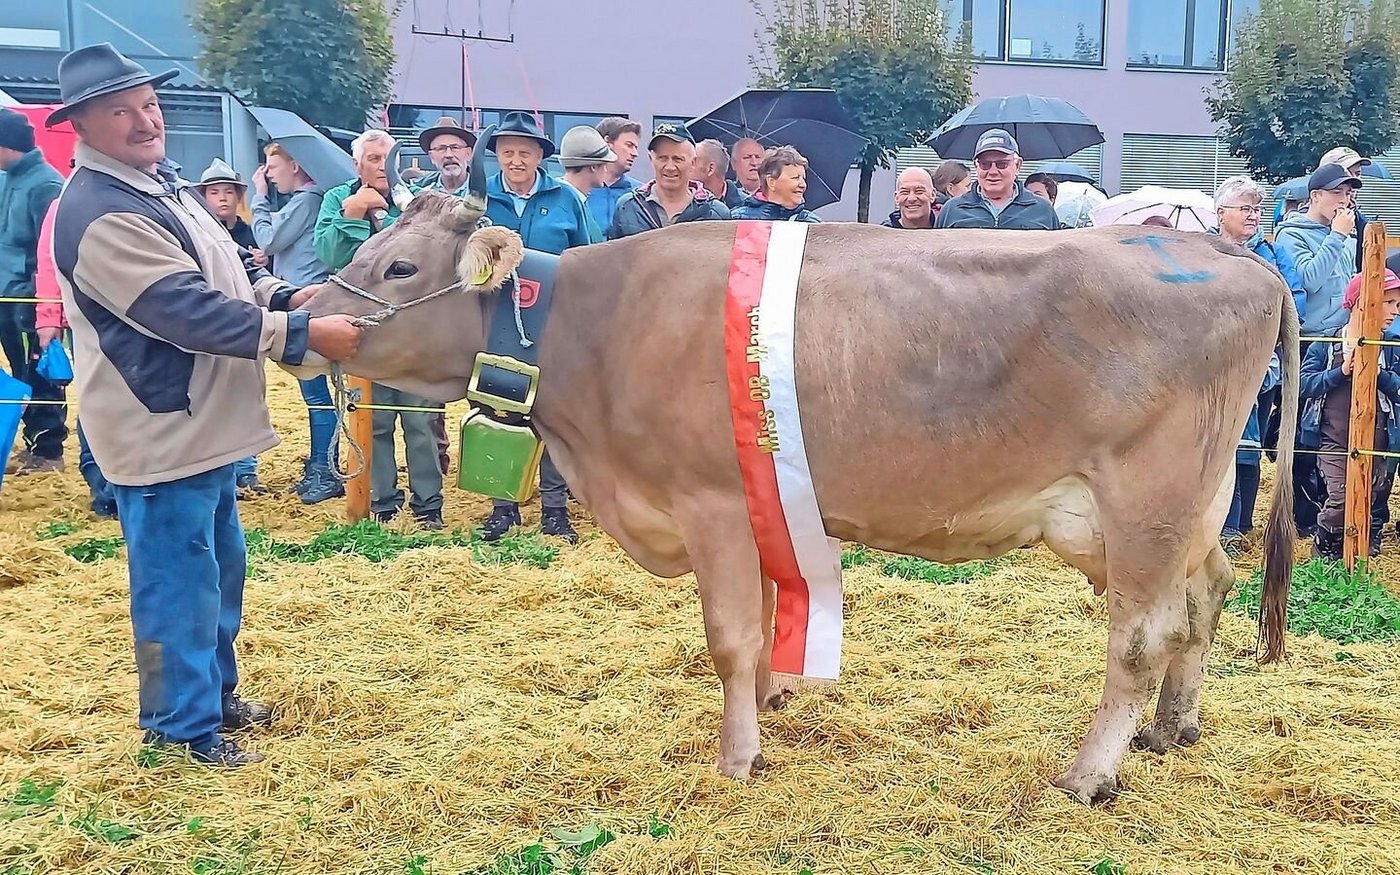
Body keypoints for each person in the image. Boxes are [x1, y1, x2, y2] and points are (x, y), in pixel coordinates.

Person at [49, 42, 362, 767]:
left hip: (201, 423)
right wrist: (297, 332)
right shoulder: (98, 208)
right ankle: (178, 730)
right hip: (159, 427)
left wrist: (283, 295)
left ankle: (210, 699)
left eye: (149, 106)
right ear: (83, 127)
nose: (143, 121)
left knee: (216, 569)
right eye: (119, 111)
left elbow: (225, 278)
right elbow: (181, 310)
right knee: (176, 582)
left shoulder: (162, 187)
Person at [316, 130, 445, 531]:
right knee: (374, 420)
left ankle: (429, 507)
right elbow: (330, 257)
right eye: (373, 159)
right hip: (360, 331)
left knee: (421, 419)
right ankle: (383, 503)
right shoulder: (338, 200)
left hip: (414, 330)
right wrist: (353, 214)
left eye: (388, 158)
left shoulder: (418, 202)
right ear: (357, 165)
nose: (381, 167)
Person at [480, 111, 594, 544]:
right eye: (506, 152)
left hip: (553, 322)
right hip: (496, 322)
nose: (515, 160)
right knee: (498, 412)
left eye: (524, 152)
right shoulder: (481, 198)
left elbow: (586, 255)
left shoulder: (565, 199)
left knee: (552, 416)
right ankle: (503, 506)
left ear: (540, 156)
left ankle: (554, 508)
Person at [1210, 176, 1305, 552]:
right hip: (1215, 362)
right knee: (1221, 445)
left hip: (1262, 363)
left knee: (1248, 446)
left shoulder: (1269, 252)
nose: (1253, 216)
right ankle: (1222, 527)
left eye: (1257, 209)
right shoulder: (1203, 249)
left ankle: (1240, 526)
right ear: (1221, 213)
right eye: (1245, 209)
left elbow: (1293, 293)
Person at [252, 142, 341, 504]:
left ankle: (326, 468)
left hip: (306, 306)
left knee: (317, 395)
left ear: (297, 166)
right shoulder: (308, 201)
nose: (268, 174)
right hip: (303, 302)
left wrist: (258, 198)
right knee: (316, 395)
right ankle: (322, 464)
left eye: (273, 165)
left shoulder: (307, 200)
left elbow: (269, 239)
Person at [1299, 270, 1400, 560]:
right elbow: (1305, 384)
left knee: (1374, 499)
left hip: (1379, 441)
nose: (1395, 312)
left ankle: (1364, 551)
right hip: (1333, 439)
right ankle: (1325, 546)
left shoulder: (1392, 347)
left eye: (1396, 305)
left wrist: (1380, 376)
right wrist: (1339, 373)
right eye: (1388, 302)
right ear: (1362, 302)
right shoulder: (1328, 343)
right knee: (1341, 498)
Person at [0, 107, 68, 476]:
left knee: (39, 372)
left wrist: (48, 308)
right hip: (6, 296)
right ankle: (31, 443)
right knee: (17, 371)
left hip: (29, 298)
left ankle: (48, 448)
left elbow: (51, 252)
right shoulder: (6, 178)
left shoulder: (45, 184)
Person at [410, 116, 478, 474]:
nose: (448, 154)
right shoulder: (417, 198)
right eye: (440, 149)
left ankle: (484, 463)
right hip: (429, 309)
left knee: (486, 392)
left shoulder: (488, 191)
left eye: (455, 147)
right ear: (431, 156)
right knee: (429, 391)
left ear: (468, 152)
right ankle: (437, 461)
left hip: (478, 309)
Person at [1274, 163, 1360, 339]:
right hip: (1311, 337)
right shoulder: (1291, 234)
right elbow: (1309, 281)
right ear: (1315, 196)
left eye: (1348, 193)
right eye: (1337, 192)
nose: (1344, 200)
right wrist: (1337, 235)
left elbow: (1350, 283)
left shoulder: (1346, 236)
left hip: (1344, 333)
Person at [607, 122, 730, 239]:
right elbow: (615, 259)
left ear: (693, 163)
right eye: (662, 158)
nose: (670, 167)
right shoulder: (628, 206)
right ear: (651, 160)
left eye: (677, 159)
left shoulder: (716, 213)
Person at [935, 130, 1060, 231]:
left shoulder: (1042, 210)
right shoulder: (952, 210)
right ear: (976, 166)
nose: (993, 171)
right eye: (985, 164)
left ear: (1017, 166)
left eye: (1002, 164)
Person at [731, 146, 821, 223]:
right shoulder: (739, 218)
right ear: (771, 182)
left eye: (803, 178)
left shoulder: (812, 222)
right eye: (795, 178)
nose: (803, 185)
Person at [556, 125, 614, 243]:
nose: (606, 170)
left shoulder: (575, 199)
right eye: (604, 165)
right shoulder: (562, 204)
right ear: (593, 166)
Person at [1317, 146, 1372, 272]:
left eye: (1357, 173)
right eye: (1347, 173)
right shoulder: (1304, 223)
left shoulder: (1360, 220)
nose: (1354, 180)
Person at [586, 117, 642, 233]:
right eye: (629, 145)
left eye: (636, 147)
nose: (635, 154)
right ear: (607, 142)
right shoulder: (578, 189)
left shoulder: (640, 194)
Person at [195, 158, 260, 257]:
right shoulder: (199, 237)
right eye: (214, 193)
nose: (222, 198)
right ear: (203, 197)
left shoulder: (256, 236)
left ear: (238, 196)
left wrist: (263, 261)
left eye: (229, 192)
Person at [693, 138, 746, 210]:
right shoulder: (684, 203)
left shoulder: (746, 207)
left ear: (710, 169)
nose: (686, 166)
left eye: (693, 161)